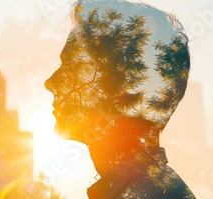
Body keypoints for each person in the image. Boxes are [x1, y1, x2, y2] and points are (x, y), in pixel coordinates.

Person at [45, 0, 196, 198]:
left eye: (71, 68)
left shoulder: (150, 193)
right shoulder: (150, 189)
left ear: (121, 91)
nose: (50, 83)